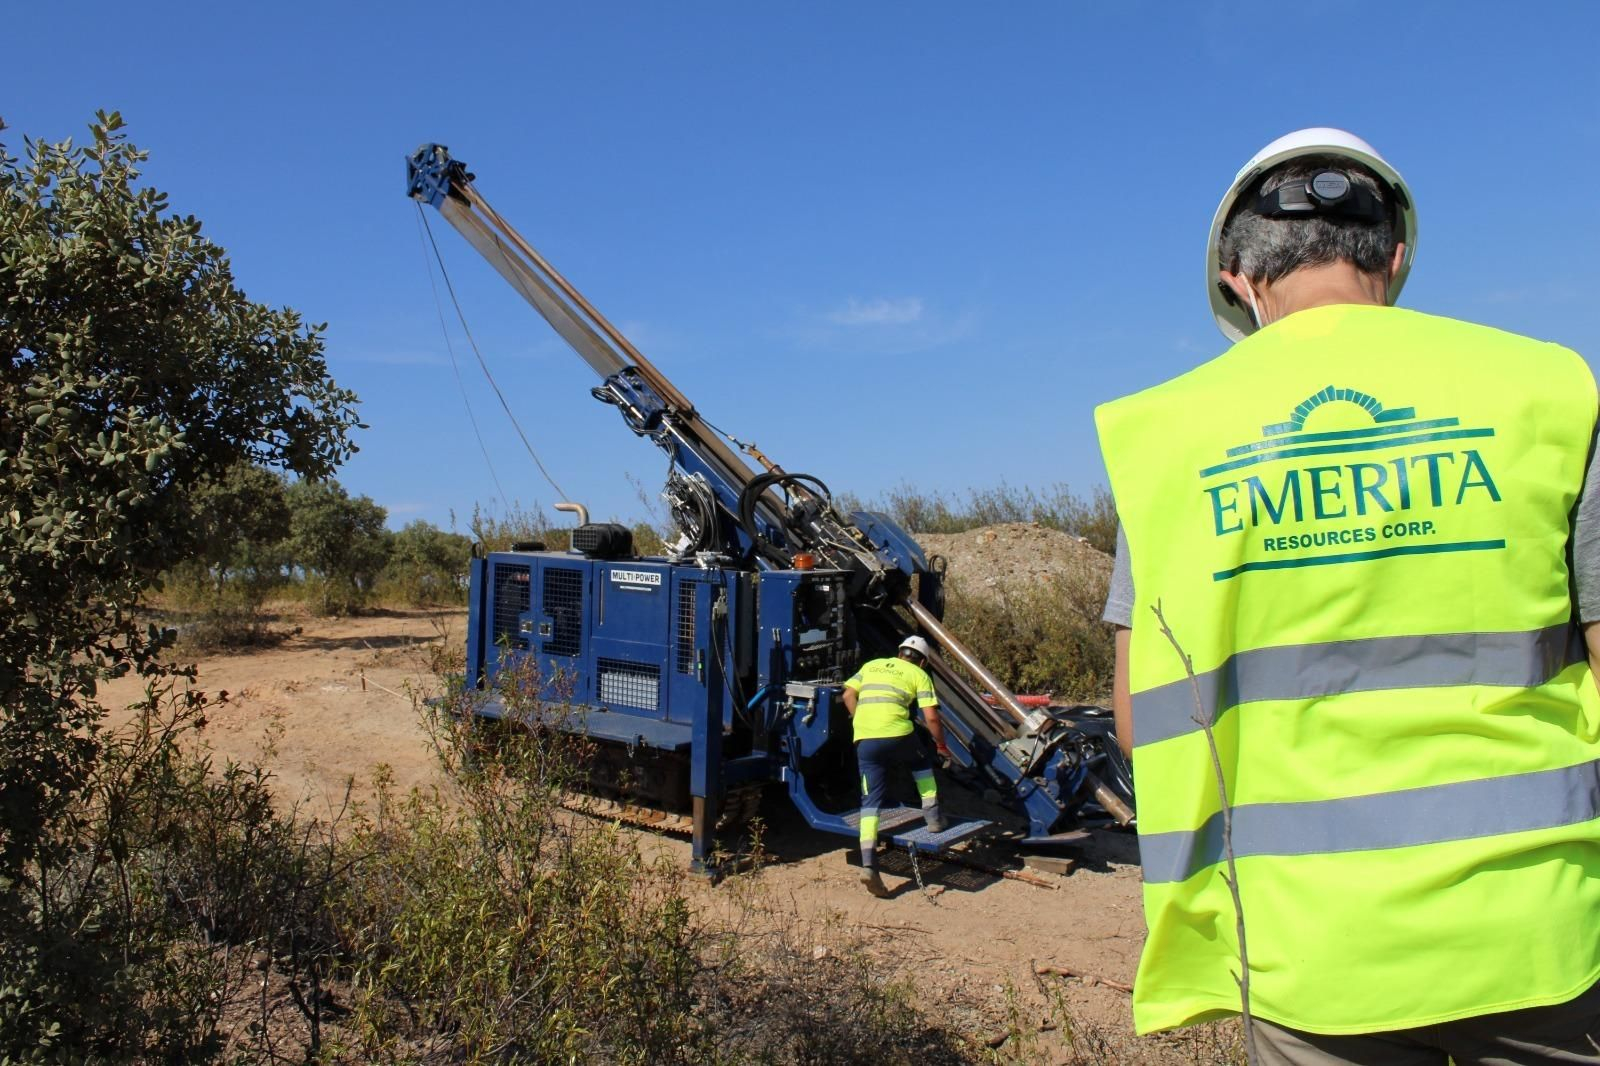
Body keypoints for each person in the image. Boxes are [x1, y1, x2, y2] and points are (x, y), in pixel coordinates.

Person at [1095, 128, 1600, 1063]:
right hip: (1543, 930)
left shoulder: (1164, 442)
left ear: (1239, 278)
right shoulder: (1547, 390)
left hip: (1308, 953)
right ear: (1396, 256)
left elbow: (1134, 720)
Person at [841, 635, 952, 898]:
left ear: (899, 652)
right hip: (899, 735)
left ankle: (869, 865)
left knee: (870, 801)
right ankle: (934, 818)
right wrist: (941, 746)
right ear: (922, 661)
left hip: (865, 740)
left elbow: (847, 694)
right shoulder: (919, 674)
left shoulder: (871, 665)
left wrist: (864, 721)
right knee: (921, 761)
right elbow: (932, 717)